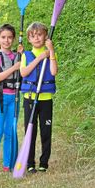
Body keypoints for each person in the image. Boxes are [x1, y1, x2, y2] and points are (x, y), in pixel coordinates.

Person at [20, 22, 58, 173]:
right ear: (29, 39)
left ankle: (44, 162)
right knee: (31, 131)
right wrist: (40, 57)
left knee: (45, 131)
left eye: (39, 35)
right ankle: (30, 163)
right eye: (33, 36)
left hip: (45, 99)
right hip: (30, 98)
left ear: (45, 37)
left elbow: (54, 72)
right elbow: (24, 73)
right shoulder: (26, 55)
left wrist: (51, 52)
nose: (36, 38)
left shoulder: (51, 53)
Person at [0, 24, 23, 175]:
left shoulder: (18, 56)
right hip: (0, 97)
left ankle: (7, 165)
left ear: (14, 39)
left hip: (14, 97)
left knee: (10, 132)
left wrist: (21, 56)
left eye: (10, 37)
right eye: (3, 37)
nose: (6, 40)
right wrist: (15, 67)